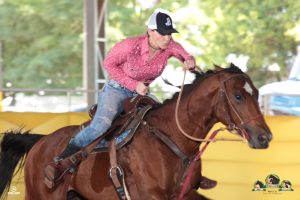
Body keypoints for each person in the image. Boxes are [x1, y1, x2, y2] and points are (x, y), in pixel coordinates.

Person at [45, 8, 216, 189]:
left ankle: (190, 174)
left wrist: (188, 59)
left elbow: (180, 51)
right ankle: (60, 160)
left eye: (169, 33)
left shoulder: (169, 46)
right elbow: (109, 64)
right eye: (163, 33)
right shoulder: (129, 46)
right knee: (101, 125)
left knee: (165, 123)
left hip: (141, 93)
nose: (167, 38)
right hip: (117, 90)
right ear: (150, 31)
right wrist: (134, 85)